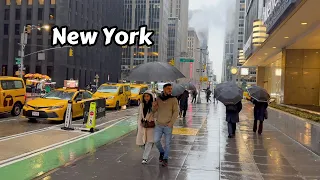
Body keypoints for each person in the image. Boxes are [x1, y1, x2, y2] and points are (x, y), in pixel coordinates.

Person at [152, 83, 179, 167]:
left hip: (168, 125)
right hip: (159, 124)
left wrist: (171, 123)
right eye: (168, 88)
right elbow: (154, 111)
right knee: (156, 141)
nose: (170, 90)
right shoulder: (158, 98)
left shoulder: (174, 99)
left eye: (171, 88)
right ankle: (162, 152)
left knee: (167, 144)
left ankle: (165, 159)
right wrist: (154, 106)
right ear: (164, 89)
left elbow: (176, 112)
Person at [136, 91, 156, 164]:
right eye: (145, 96)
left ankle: (145, 157)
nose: (146, 98)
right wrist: (139, 124)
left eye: (148, 96)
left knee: (149, 142)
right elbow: (139, 115)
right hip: (142, 126)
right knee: (140, 143)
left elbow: (156, 115)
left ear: (151, 97)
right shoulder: (141, 105)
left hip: (151, 126)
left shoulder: (154, 105)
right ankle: (147, 150)